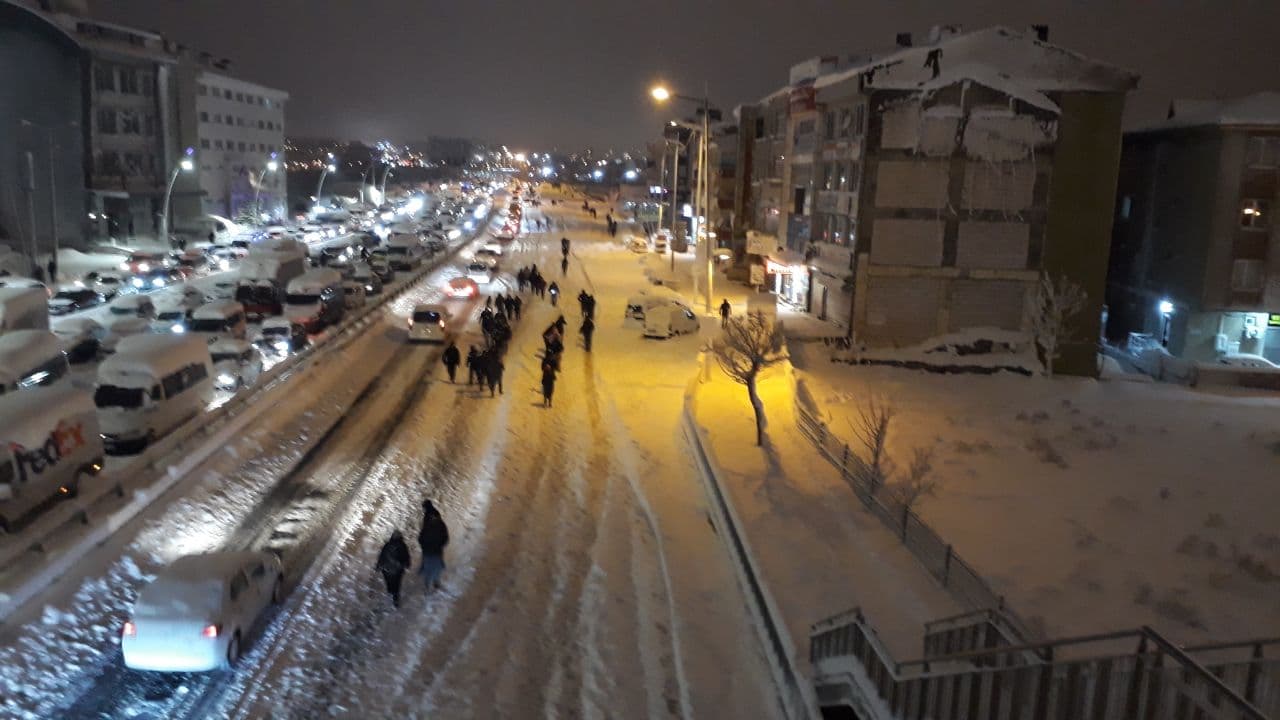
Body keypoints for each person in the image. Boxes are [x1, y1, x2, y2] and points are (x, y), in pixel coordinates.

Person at [417, 501, 449, 591]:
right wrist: (441, 545)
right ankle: (436, 581)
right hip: (437, 549)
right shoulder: (441, 524)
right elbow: (445, 537)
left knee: (427, 564)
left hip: (427, 549)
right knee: (437, 564)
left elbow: (420, 538)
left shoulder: (427, 524)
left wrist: (423, 545)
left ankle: (427, 583)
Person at [376, 530, 412, 607]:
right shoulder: (402, 545)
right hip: (397, 570)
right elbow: (406, 557)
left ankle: (390, 594)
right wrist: (407, 564)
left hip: (386, 569)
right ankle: (396, 601)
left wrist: (378, 566)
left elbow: (382, 556)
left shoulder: (387, 545)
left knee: (389, 583)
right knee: (397, 585)